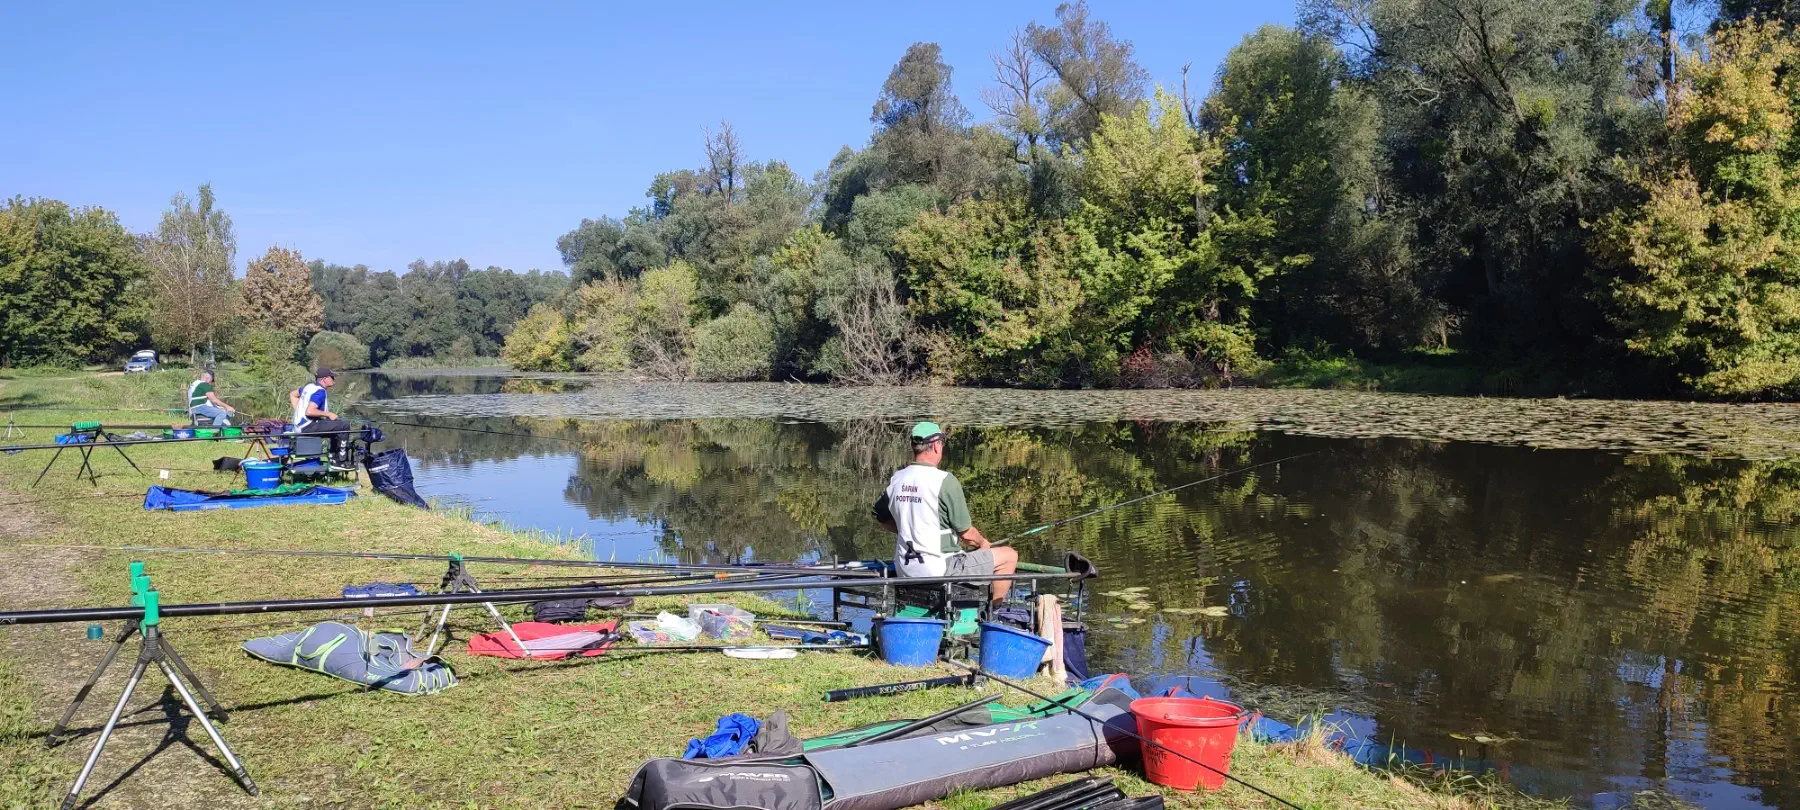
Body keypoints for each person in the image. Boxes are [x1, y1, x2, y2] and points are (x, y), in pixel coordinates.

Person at [872, 422, 1018, 602]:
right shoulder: (944, 481)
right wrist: (983, 543)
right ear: (935, 445)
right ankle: (993, 613)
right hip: (940, 569)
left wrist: (908, 527)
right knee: (1009, 556)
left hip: (905, 569)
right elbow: (967, 534)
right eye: (942, 442)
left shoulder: (897, 479)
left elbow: (881, 518)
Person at [291, 368, 351, 463]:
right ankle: (340, 460)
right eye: (332, 377)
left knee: (337, 423)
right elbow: (310, 412)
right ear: (324, 379)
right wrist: (328, 414)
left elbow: (293, 394)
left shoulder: (309, 387)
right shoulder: (320, 392)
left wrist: (298, 411)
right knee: (344, 425)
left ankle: (332, 454)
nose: (333, 380)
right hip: (307, 427)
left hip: (300, 426)